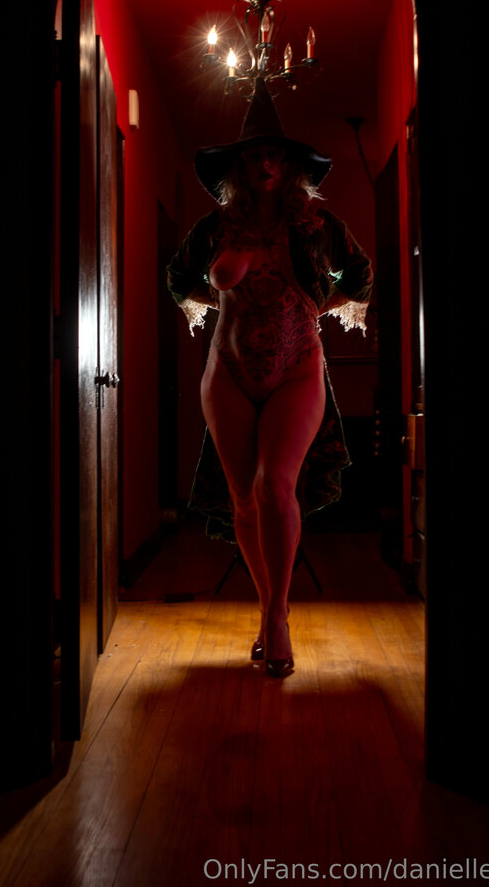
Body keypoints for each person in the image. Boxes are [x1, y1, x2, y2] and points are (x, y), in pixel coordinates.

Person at [167, 78, 373, 678]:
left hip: (297, 367)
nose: (265, 164)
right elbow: (177, 279)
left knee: (275, 484)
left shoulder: (316, 225)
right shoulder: (214, 229)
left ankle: (278, 618)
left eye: (275, 155)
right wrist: (218, 297)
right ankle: (266, 608)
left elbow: (361, 275)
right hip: (228, 371)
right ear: (239, 166)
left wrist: (318, 305)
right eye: (255, 155)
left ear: (289, 166)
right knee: (243, 498)